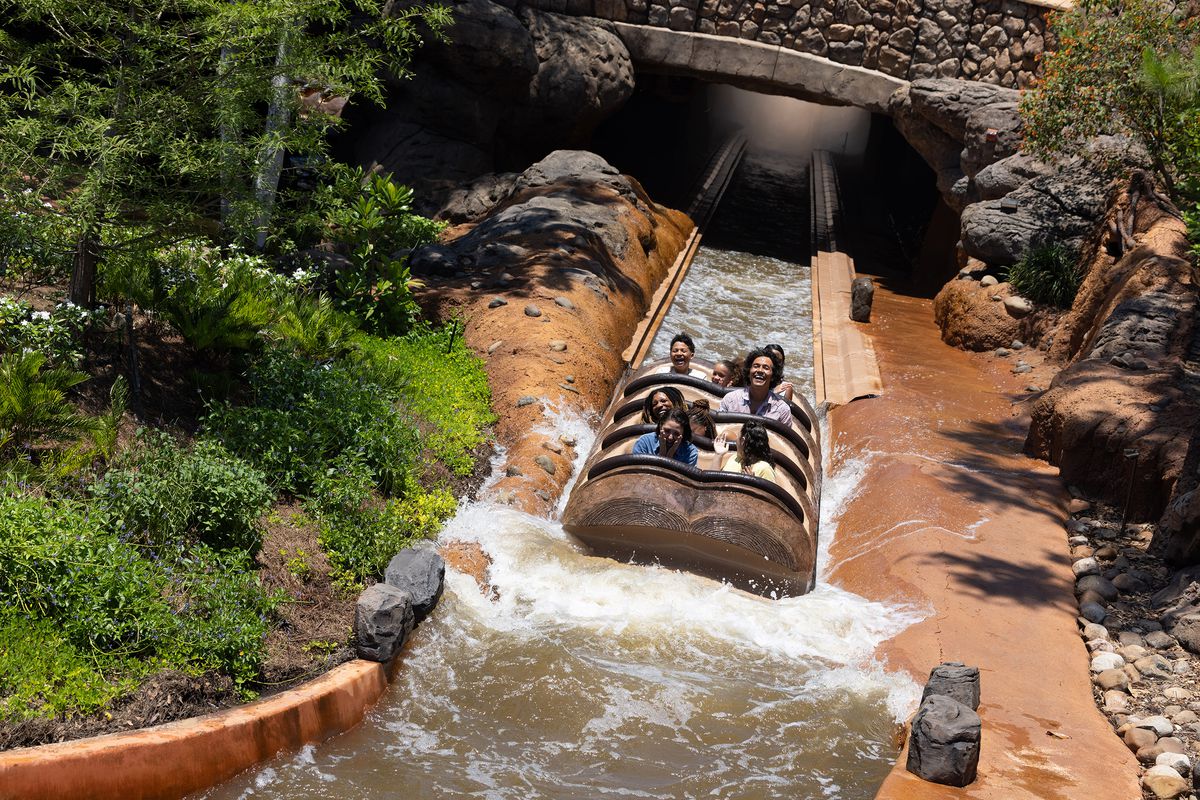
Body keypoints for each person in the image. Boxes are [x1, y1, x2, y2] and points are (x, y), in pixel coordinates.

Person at [717, 347, 793, 425]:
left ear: (773, 376)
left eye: (766, 368)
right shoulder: (730, 399)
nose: (760, 370)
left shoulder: (782, 410)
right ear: (749, 372)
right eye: (756, 366)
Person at [632, 408, 698, 466]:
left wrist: (670, 457)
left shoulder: (690, 452)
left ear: (683, 434)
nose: (670, 437)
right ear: (660, 426)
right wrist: (662, 453)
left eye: (676, 434)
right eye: (667, 431)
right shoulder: (644, 442)